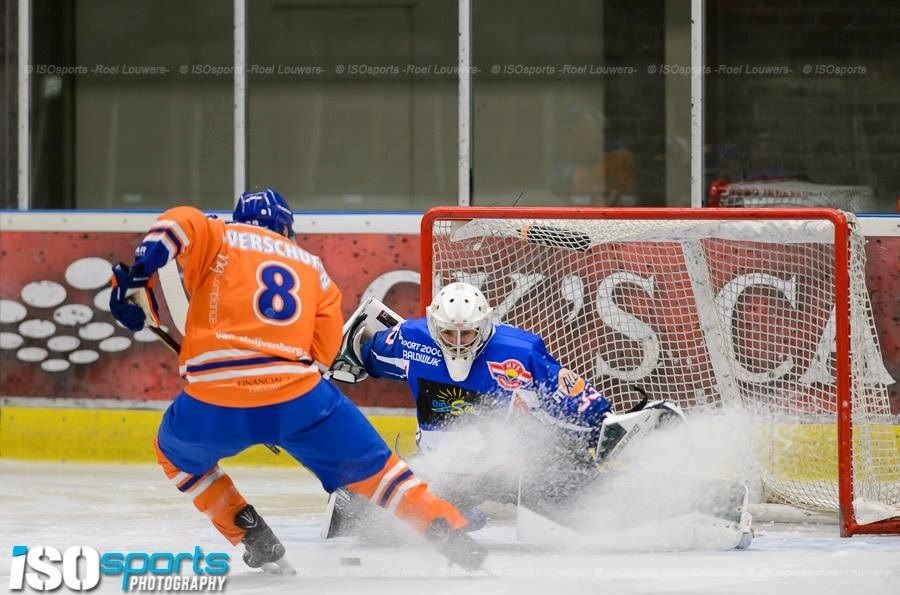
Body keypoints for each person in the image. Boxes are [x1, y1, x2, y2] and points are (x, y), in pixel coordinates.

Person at [108, 189, 486, 573]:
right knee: (381, 473)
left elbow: (177, 221)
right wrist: (281, 410)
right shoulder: (313, 268)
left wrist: (140, 273)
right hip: (296, 395)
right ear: (288, 230)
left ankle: (249, 533)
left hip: (213, 395)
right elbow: (322, 355)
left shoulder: (218, 234)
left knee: (175, 458)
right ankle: (446, 527)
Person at [323, 282, 683, 537]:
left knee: (582, 511)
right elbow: (357, 351)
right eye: (451, 334)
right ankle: (457, 509)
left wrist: (603, 421)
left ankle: (689, 504)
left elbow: (567, 392)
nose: (460, 342)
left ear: (485, 324)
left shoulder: (519, 350)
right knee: (365, 520)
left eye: (468, 334)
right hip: (442, 469)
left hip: (511, 467)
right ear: (435, 325)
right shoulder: (409, 341)